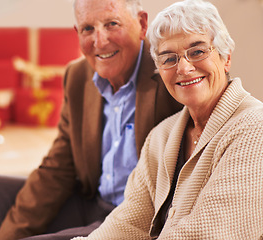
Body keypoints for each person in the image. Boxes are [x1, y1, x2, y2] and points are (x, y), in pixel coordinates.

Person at [0, 0, 182, 240]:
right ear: (77, 33)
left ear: (141, 24)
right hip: (91, 204)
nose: (99, 40)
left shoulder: (170, 71)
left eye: (112, 24)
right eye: (88, 29)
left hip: (138, 220)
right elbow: (58, 169)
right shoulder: (77, 76)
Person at [72, 0, 263, 239]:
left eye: (197, 51)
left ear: (226, 58)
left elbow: (207, 234)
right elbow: (128, 223)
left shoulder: (256, 129)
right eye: (168, 58)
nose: (183, 67)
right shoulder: (161, 136)